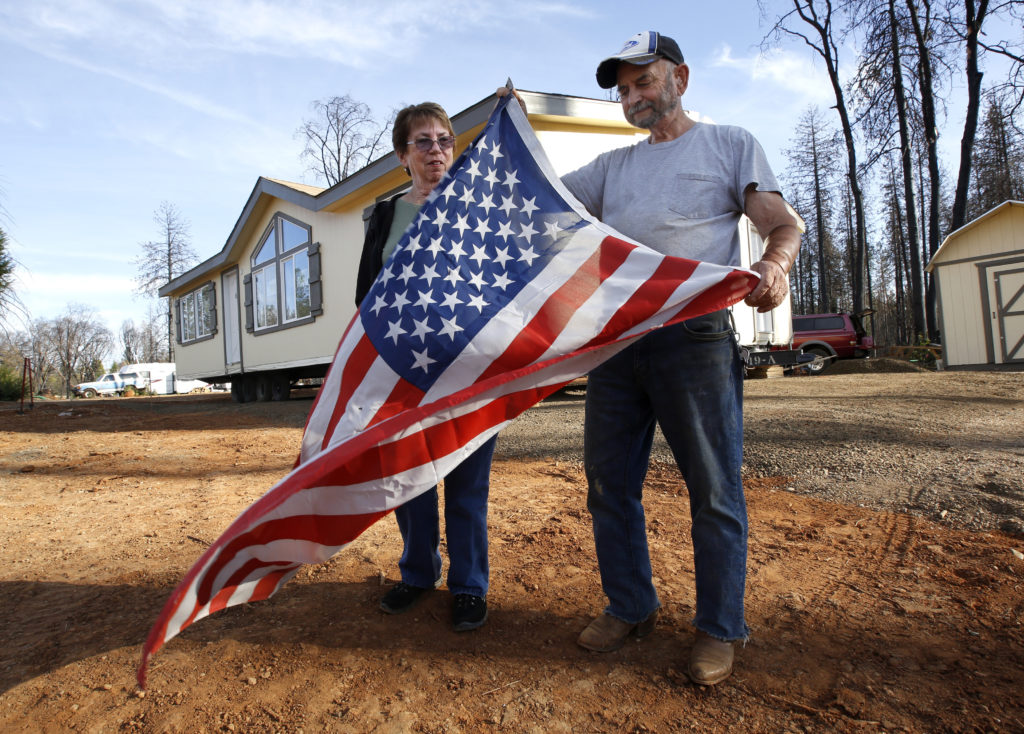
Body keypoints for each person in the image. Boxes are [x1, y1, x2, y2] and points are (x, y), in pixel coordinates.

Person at [502, 31, 800, 685]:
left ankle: (720, 628)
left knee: (714, 490)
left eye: (643, 81)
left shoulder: (729, 144)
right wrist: (514, 132)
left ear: (680, 79)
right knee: (608, 485)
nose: (631, 95)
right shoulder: (612, 168)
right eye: (623, 87)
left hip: (694, 341)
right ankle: (630, 606)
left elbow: (783, 224)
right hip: (615, 343)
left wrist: (774, 267)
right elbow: (542, 197)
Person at [355, 102, 497, 632]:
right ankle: (417, 574)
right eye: (423, 142)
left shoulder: (474, 209)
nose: (436, 150)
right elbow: (365, 297)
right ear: (403, 156)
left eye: (444, 140)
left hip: (468, 370)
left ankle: (469, 586)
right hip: (403, 375)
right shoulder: (386, 216)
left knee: (466, 484)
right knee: (410, 482)